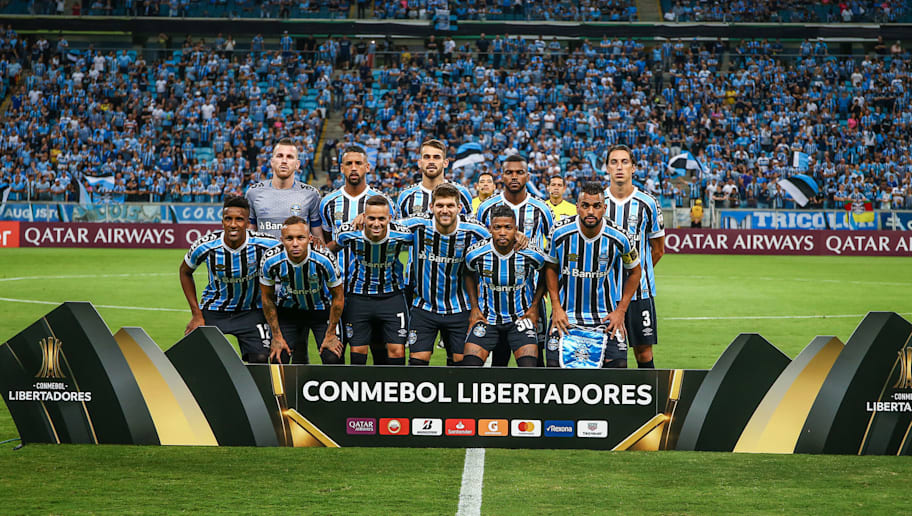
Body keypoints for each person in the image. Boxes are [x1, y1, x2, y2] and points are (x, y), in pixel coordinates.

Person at [545, 182, 642, 368]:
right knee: (553, 369)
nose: (591, 211)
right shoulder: (559, 233)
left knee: (619, 367)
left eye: (596, 206)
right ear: (577, 207)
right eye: (585, 206)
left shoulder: (620, 237)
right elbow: (550, 268)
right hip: (566, 316)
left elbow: (635, 271)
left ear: (604, 208)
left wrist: (620, 311)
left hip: (605, 318)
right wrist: (556, 308)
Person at [179, 195, 279, 363]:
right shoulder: (205, 246)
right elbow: (184, 272)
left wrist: (314, 242)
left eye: (239, 219)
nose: (233, 224)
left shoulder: (265, 244)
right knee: (197, 356)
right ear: (222, 221)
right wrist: (196, 314)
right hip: (215, 310)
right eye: (228, 219)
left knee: (261, 358)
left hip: (251, 311)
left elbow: (291, 252)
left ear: (248, 223)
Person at [399, 183, 490, 366]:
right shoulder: (417, 225)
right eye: (440, 206)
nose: (445, 210)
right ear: (431, 207)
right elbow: (386, 227)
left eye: (450, 206)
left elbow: (499, 243)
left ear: (459, 208)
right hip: (424, 307)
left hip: (460, 309)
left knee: (459, 364)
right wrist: (363, 219)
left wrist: (518, 237)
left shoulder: (474, 230)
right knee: (417, 363)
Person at [477, 155, 554, 366]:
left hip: (531, 298)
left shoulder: (542, 209)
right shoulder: (486, 208)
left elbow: (553, 252)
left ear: (527, 176)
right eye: (509, 172)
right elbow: (476, 250)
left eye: (519, 172)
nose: (514, 176)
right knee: (499, 359)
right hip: (493, 299)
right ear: (502, 176)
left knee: (535, 359)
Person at [326, 195, 413, 365]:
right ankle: (360, 391)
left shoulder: (403, 234)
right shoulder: (348, 232)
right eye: (371, 218)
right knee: (358, 352)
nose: (376, 223)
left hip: (392, 296)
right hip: (359, 296)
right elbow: (331, 249)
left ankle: (393, 390)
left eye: (382, 219)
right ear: (364, 217)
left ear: (389, 218)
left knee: (397, 351)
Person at [603, 144, 665, 369]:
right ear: (607, 168)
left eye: (624, 162)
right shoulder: (598, 203)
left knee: (644, 353)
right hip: (605, 294)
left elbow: (658, 249)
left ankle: (649, 403)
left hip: (640, 293)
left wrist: (636, 276)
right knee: (608, 355)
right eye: (614, 162)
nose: (619, 167)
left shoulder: (648, 203)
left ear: (633, 168)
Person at [462, 205, 547, 367]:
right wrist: (474, 307)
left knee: (530, 368)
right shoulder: (476, 254)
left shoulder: (531, 253)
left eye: (507, 227)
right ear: (490, 229)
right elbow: (468, 273)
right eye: (497, 227)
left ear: (516, 229)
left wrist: (535, 305)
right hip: (487, 318)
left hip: (521, 318)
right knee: (469, 367)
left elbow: (546, 273)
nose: (502, 232)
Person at [260, 216, 344, 365]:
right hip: (288, 311)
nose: (295, 244)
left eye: (300, 238)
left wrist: (331, 334)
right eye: (289, 238)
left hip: (320, 310)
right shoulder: (270, 260)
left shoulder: (324, 258)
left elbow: (338, 296)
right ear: (282, 240)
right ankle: (282, 389)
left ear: (310, 238)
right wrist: (276, 336)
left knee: (332, 356)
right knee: (278, 357)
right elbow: (267, 298)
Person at [245, 138, 325, 243]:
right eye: (279, 156)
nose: (284, 161)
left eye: (290, 157)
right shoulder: (253, 193)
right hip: (264, 258)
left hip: (298, 259)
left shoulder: (311, 194)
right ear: (272, 162)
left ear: (297, 164)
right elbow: (248, 236)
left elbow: (318, 239)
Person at [397, 139, 473, 216]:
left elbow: (469, 226)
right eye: (427, 157)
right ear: (420, 163)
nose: (431, 161)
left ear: (445, 163)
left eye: (436, 157)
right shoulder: (406, 196)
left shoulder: (461, 193)